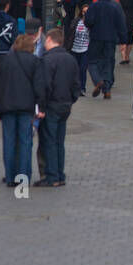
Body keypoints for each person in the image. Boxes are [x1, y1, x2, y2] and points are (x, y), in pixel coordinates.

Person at [0, 33, 46, 187]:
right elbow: (39, 86)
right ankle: (23, 176)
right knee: (25, 142)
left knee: (9, 141)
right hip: (25, 107)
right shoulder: (34, 61)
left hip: (7, 107)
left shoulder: (6, 61)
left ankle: (10, 176)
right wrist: (41, 106)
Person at [36, 28, 79, 187]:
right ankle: (60, 175)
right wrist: (71, 100)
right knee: (60, 142)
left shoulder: (47, 60)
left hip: (51, 106)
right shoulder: (70, 59)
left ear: (49, 40)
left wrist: (41, 106)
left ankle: (52, 176)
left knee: (49, 141)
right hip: (65, 106)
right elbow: (76, 84)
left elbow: (44, 86)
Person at [85, 0, 128, 99]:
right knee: (108, 62)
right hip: (111, 39)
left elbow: (88, 21)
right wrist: (123, 40)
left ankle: (98, 80)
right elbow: (121, 23)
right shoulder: (116, 7)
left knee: (92, 61)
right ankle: (107, 88)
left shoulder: (94, 6)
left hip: (96, 37)